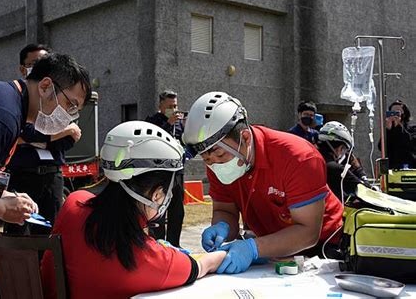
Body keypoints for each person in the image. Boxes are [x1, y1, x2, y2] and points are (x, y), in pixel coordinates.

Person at [0, 52, 91, 298]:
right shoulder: (4, 114)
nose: (70, 117)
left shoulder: (4, 97)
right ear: (45, 86)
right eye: (70, 105)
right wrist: (3, 209)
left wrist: (7, 195)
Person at [41, 121, 226, 299]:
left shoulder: (74, 202)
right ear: (156, 195)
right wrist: (232, 252)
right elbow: (200, 266)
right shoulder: (146, 257)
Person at [183, 92, 343, 274]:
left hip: (322, 251)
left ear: (245, 138)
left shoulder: (298, 157)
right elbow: (224, 210)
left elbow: (308, 232)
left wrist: (253, 248)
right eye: (207, 159)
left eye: (220, 155)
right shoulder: (216, 164)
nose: (215, 165)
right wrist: (222, 229)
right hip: (269, 249)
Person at [4, 44, 82, 235]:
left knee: (49, 232)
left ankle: (44, 266)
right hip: (21, 175)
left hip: (52, 176)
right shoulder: (17, 97)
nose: (40, 66)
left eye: (44, 62)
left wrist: (36, 136)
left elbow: (71, 138)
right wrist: (59, 131)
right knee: (18, 232)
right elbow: (21, 134)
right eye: (34, 63)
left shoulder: (59, 98)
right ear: (23, 68)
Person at [145, 90, 186, 247]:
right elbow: (154, 140)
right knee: (159, 209)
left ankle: (175, 243)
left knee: (177, 210)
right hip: (160, 173)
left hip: (177, 171)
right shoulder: (153, 121)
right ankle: (158, 243)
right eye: (170, 106)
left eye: (175, 106)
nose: (174, 110)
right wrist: (168, 123)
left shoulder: (178, 123)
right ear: (161, 105)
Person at [317, 121, 371, 201]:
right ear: (340, 147)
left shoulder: (315, 158)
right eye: (344, 149)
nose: (344, 153)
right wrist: (358, 168)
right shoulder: (335, 168)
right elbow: (364, 189)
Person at [379, 100, 416, 169]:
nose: (395, 114)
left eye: (398, 112)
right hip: (392, 168)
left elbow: (411, 143)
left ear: (404, 114)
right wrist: (387, 130)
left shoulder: (412, 129)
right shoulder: (389, 131)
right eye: (393, 111)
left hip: (409, 168)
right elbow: (381, 147)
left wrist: (398, 126)